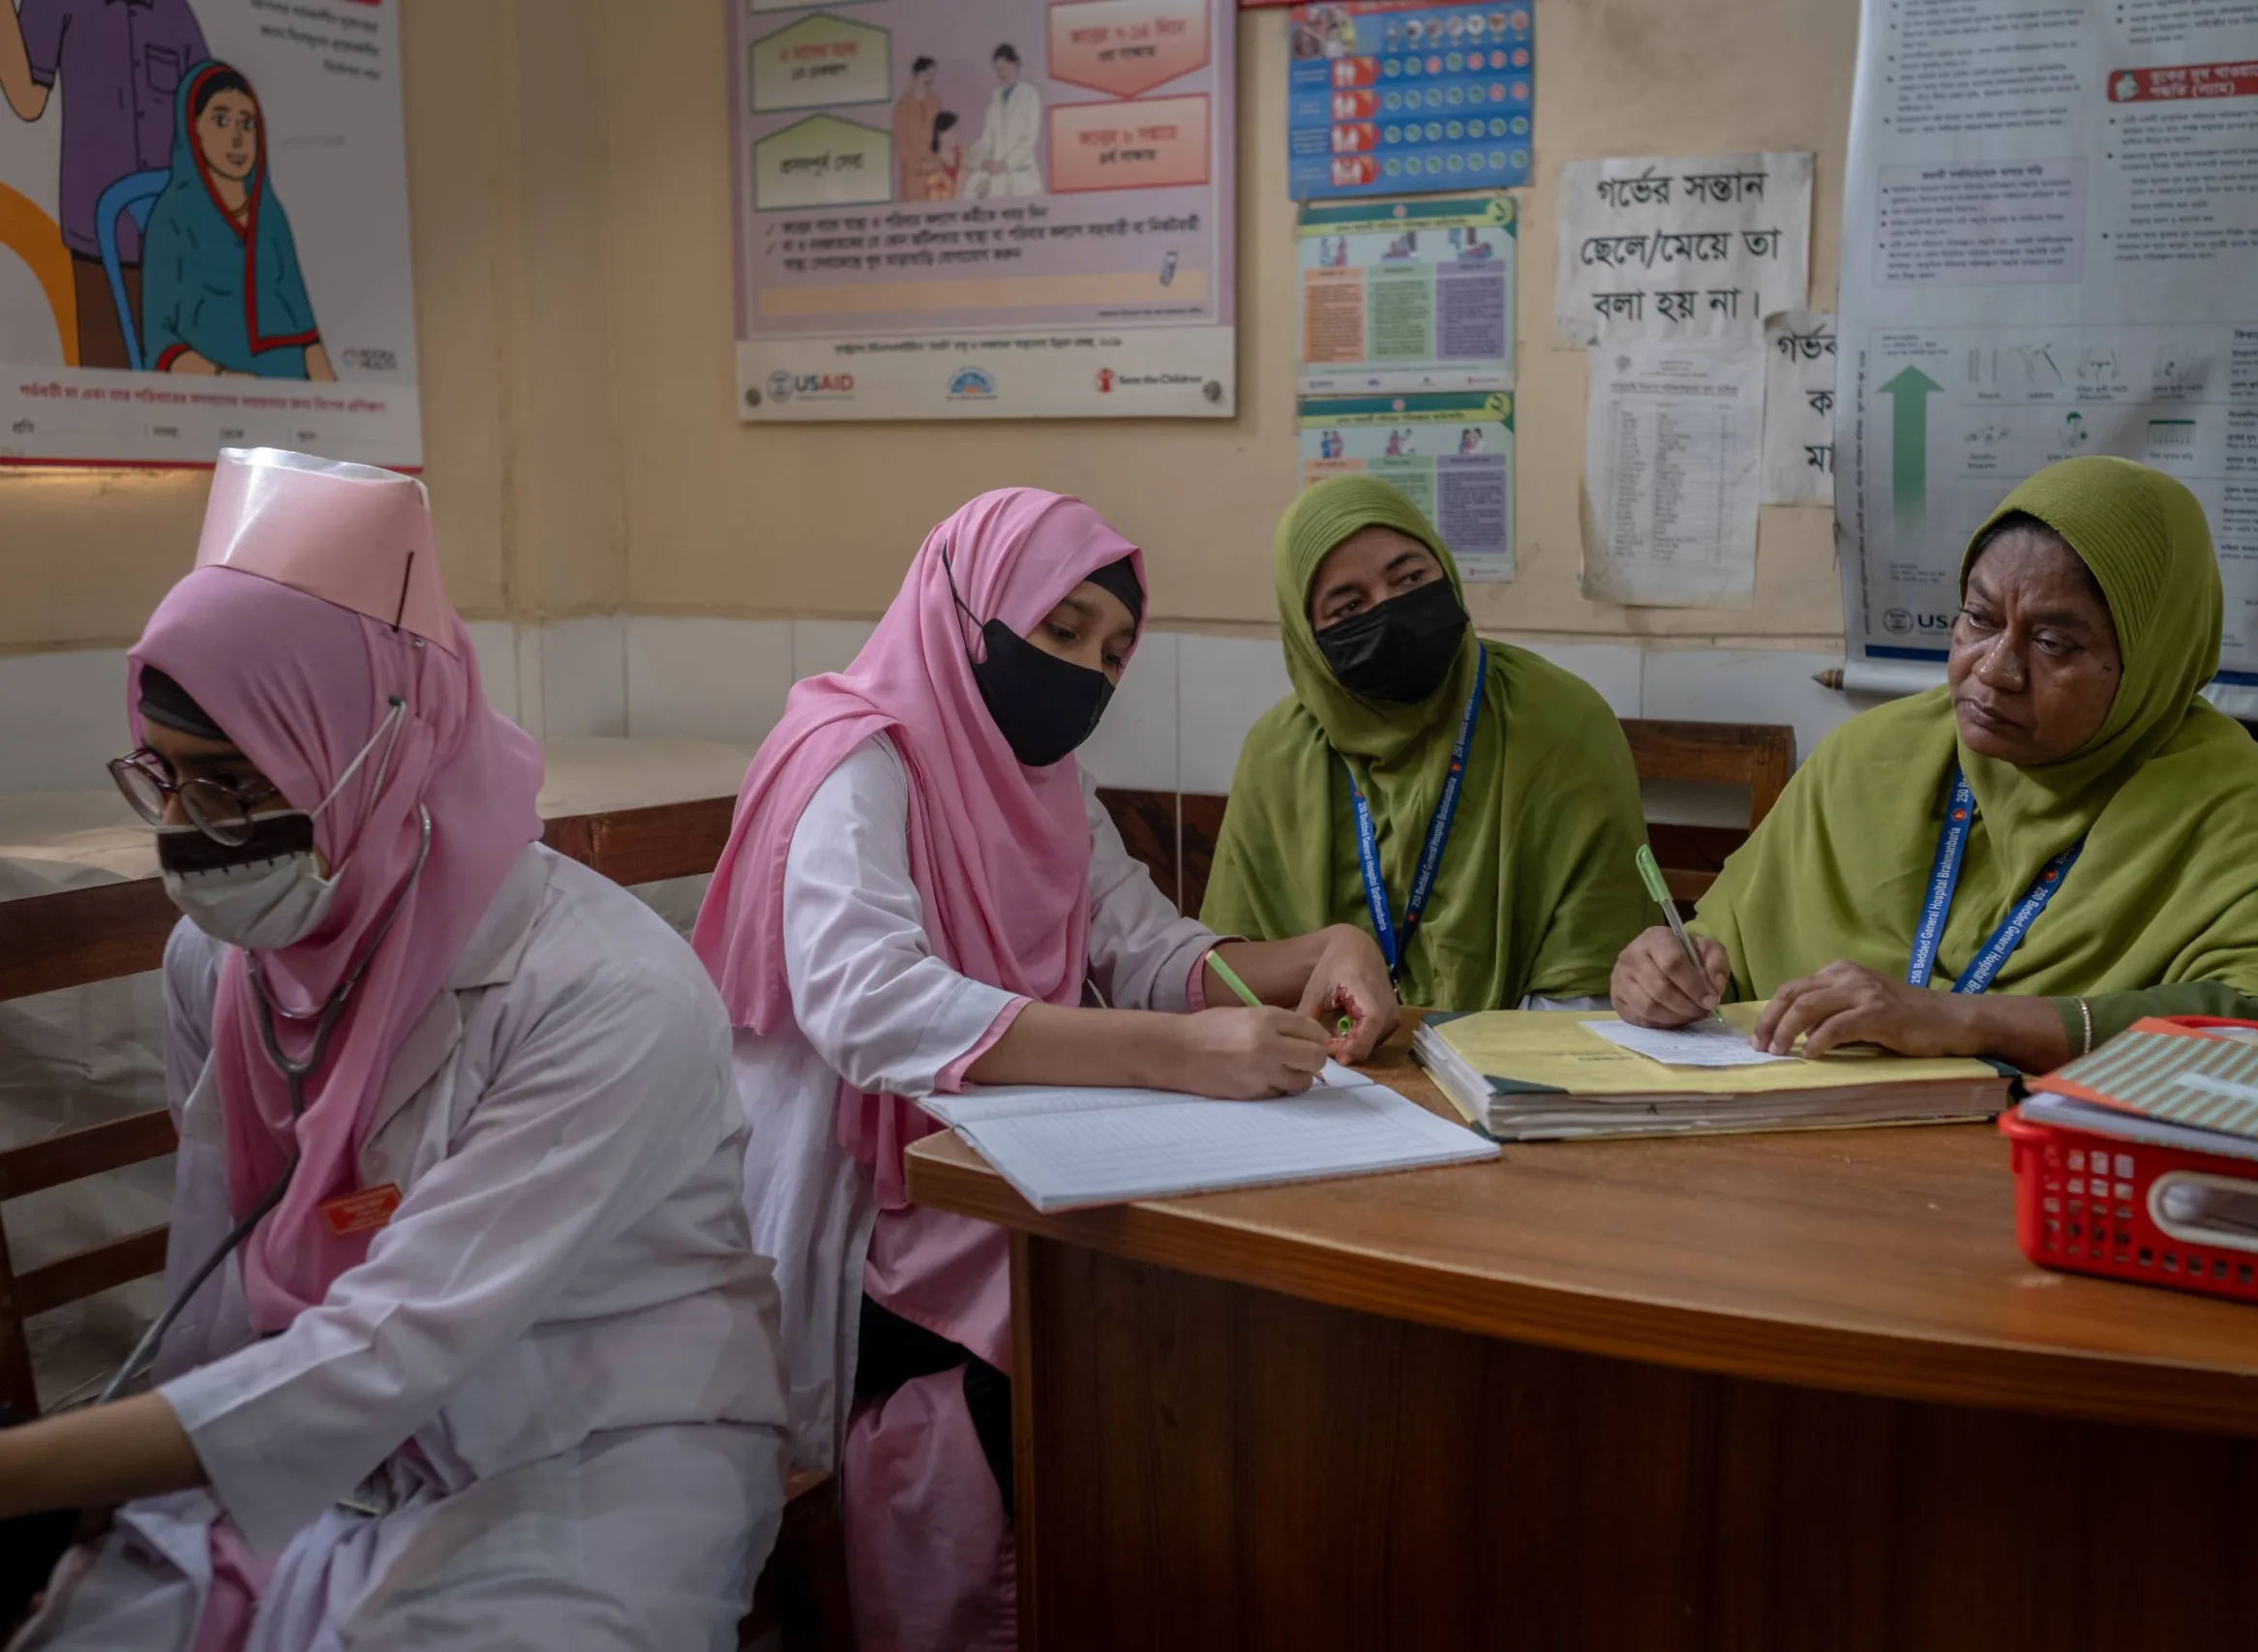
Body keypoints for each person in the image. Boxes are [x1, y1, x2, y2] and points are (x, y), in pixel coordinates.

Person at [0, 448, 788, 1650]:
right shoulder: (218, 963)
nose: (181, 831)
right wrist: (140, 1487)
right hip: (319, 1443)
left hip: (590, 1446)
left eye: (227, 781)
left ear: (372, 747)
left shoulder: (600, 992)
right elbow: (223, 1270)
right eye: (161, 776)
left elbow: (390, 1342)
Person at [694, 488, 1400, 1651]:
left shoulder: (1043, 784)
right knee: (1108, 1316)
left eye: (1115, 652)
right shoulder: (851, 758)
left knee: (1174, 1299)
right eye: (1060, 629)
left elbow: (1149, 949)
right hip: (851, 1219)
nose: (1087, 672)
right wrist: (1176, 1054)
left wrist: (1319, 953)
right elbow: (865, 1005)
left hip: (965, 1176)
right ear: (962, 610)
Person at [1613, 456, 2258, 1066]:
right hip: (1804, 1163)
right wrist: (1667, 972)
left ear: (2151, 660)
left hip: (2056, 1177)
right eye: (1979, 618)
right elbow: (1723, 952)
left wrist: (1967, 1020)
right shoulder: (1873, 756)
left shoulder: (2218, 792)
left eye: (2054, 643)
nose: (1994, 669)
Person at [1201, 476, 1656, 1011]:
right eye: (1348, 608)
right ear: (1307, 640)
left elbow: (1592, 976)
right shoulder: (1278, 753)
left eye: (1410, 577)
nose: (1390, 609)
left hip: (1512, 1071)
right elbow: (1232, 974)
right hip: (1323, 1069)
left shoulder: (1560, 721)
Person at [0, 0, 209, 369]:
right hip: (99, 249)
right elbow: (27, 99)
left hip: (181, 252)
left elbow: (207, 117)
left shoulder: (175, 11)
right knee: (107, 387)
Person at [141, 63, 331, 380]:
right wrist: (222, 378)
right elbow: (160, 345)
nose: (237, 138)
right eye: (220, 120)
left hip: (290, 394)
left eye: (247, 124)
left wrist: (336, 406)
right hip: (216, 393)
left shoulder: (270, 215)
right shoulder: (171, 216)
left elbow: (307, 337)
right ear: (193, 128)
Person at [960, 44, 1040, 199]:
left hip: (1021, 175)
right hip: (997, 179)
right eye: (997, 69)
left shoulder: (1030, 95)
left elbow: (1030, 140)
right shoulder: (995, 97)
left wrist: (1006, 164)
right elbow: (988, 137)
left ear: (1016, 65)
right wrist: (977, 158)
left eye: (1004, 67)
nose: (1000, 73)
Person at [892, 55, 940, 201]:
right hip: (914, 174)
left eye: (933, 75)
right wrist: (919, 165)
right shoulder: (903, 105)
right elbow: (901, 143)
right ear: (916, 75)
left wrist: (939, 161)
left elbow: (942, 135)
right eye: (927, 74)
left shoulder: (935, 101)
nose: (930, 79)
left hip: (935, 170)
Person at [922, 111, 962, 201]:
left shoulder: (960, 154)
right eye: (953, 132)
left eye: (957, 131)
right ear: (941, 134)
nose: (957, 135)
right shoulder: (933, 166)